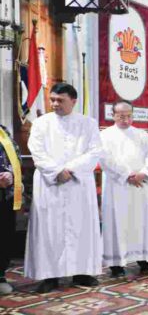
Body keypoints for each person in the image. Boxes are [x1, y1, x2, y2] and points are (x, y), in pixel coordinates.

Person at [25, 83, 102, 293]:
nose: (55, 104)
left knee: (81, 228)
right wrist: (57, 171)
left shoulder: (88, 123)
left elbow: (95, 151)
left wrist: (70, 169)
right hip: (51, 184)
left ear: (74, 101)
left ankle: (83, 272)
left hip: (78, 184)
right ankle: (49, 275)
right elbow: (37, 151)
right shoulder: (41, 123)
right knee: (49, 230)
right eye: (52, 100)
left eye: (60, 100)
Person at [100, 100, 148, 277]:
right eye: (121, 116)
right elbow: (105, 160)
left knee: (142, 221)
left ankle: (145, 259)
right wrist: (128, 174)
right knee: (118, 223)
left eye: (129, 116)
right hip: (117, 187)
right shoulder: (104, 136)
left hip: (141, 186)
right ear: (113, 115)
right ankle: (117, 264)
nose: (126, 119)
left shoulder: (142, 134)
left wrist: (143, 173)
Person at [0, 123, 22, 294]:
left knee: (4, 236)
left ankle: (0, 276)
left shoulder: (3, 131)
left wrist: (11, 174)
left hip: (5, 195)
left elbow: (16, 156)